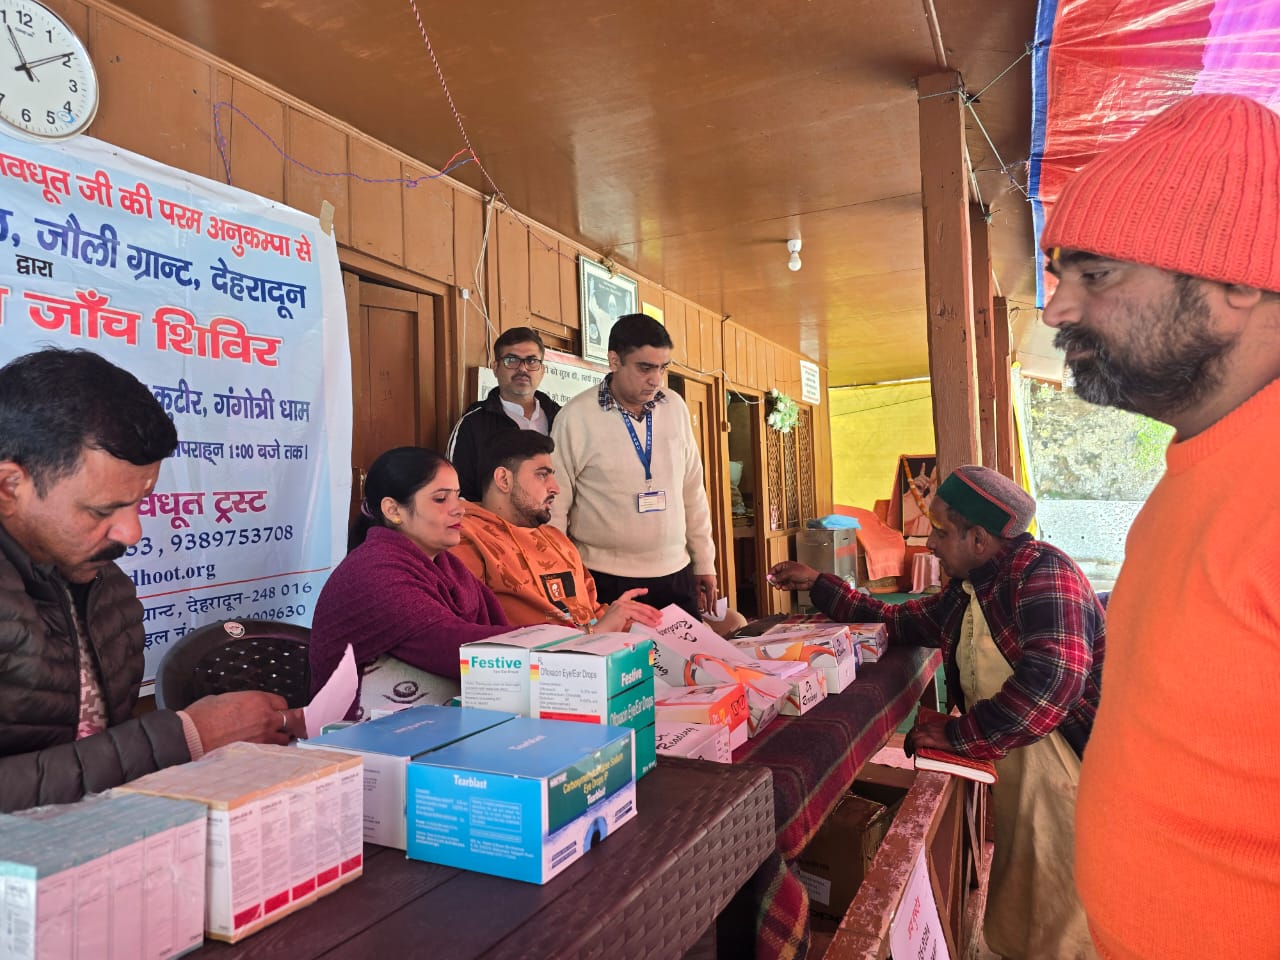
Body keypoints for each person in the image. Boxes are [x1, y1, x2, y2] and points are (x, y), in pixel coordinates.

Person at [1038, 93, 1280, 959]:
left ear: (1237, 281)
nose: (1056, 310)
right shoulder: (1203, 463)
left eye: (1095, 274)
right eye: (1058, 276)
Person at [770, 465, 1104, 960]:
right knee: (1032, 900)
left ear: (978, 538)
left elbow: (1054, 682)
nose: (930, 545)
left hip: (1073, 772)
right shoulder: (970, 588)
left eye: (942, 533)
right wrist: (820, 584)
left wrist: (961, 734)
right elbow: (897, 620)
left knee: (1070, 913)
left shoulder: (1044, 574)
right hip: (1021, 767)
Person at [0, 348, 298, 813]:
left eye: (140, 503)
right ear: (9, 487)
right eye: (102, 510)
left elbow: (97, 748)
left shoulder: (107, 586)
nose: (132, 533)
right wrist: (185, 736)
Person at [309, 446, 512, 718]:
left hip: (429, 721)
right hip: (362, 734)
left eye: (458, 496)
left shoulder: (448, 566)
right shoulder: (373, 570)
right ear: (394, 510)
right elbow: (450, 646)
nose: (459, 510)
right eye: (441, 499)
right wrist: (549, 641)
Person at [550, 313, 717, 619]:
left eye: (662, 367)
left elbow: (693, 490)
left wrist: (704, 561)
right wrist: (562, 574)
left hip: (676, 572)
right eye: (645, 368)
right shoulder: (575, 417)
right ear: (614, 361)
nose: (656, 379)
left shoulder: (675, 407)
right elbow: (555, 505)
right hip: (604, 578)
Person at [451, 430, 662, 634]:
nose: (555, 488)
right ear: (504, 480)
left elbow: (591, 613)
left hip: (599, 650)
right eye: (542, 475)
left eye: (552, 476)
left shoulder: (556, 539)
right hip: (543, 658)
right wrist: (595, 633)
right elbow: (476, 640)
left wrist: (634, 623)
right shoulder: (464, 538)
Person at [446, 327, 561, 501]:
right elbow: (457, 495)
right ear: (495, 368)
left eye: (531, 361)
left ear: (542, 370)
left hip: (557, 518)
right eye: (511, 360)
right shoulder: (473, 425)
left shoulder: (563, 419)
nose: (523, 369)